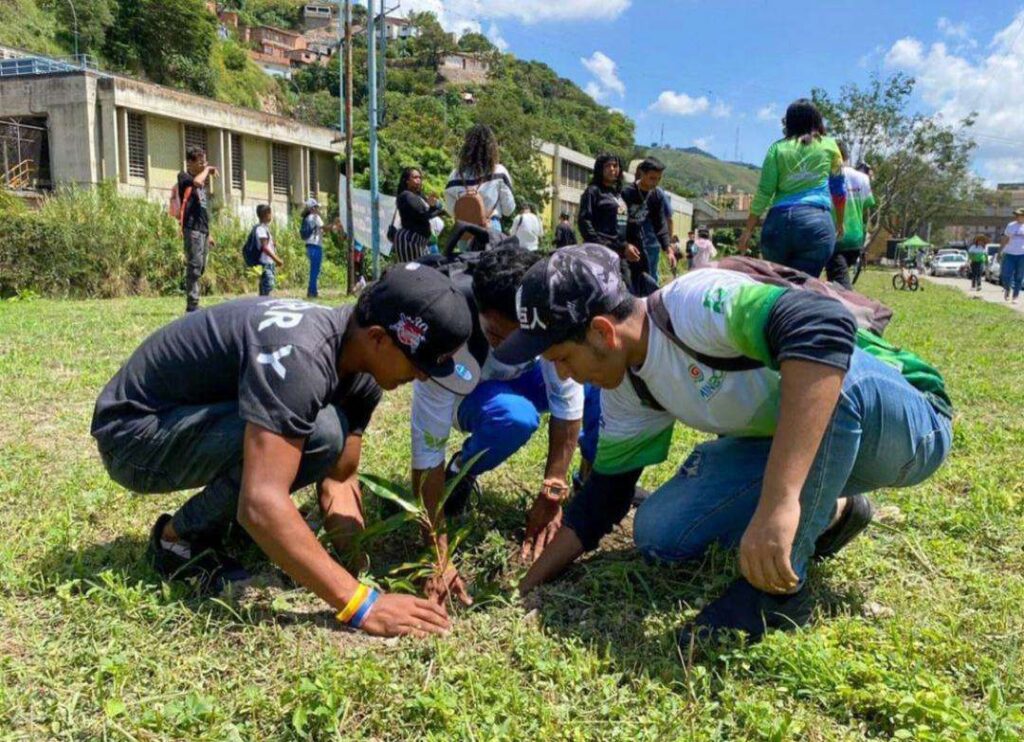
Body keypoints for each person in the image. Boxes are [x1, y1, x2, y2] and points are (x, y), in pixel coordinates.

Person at [498, 244, 952, 645]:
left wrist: (780, 502)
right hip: (800, 440)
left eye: (561, 358)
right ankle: (837, 510)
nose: (561, 375)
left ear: (601, 332)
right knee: (660, 531)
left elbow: (823, 326)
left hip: (905, 419)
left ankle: (775, 596)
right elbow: (604, 498)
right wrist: (529, 586)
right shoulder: (627, 386)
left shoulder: (693, 304)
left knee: (835, 382)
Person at [91, 265, 480, 638]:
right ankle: (176, 542)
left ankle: (219, 525)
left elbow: (341, 479)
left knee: (324, 435)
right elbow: (260, 503)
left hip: (192, 420)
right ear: (378, 338)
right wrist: (362, 604)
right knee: (319, 435)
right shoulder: (303, 358)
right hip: (134, 435)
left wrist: (359, 567)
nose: (425, 376)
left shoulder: (361, 370)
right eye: (420, 363)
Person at [410, 247, 600, 604]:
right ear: (479, 310)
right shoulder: (448, 330)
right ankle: (461, 472)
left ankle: (592, 485)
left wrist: (553, 489)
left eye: (524, 340)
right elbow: (425, 449)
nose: (514, 347)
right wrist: (436, 558)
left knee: (593, 378)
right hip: (473, 391)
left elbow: (567, 398)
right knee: (515, 417)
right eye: (499, 336)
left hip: (523, 383)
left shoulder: (542, 308)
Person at [740, 99, 847, 277]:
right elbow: (838, 190)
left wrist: (747, 231)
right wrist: (840, 222)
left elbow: (764, 193)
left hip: (777, 226)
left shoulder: (777, 149)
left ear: (788, 123)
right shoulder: (829, 146)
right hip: (815, 226)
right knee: (805, 288)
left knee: (778, 287)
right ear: (817, 121)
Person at [578, 153, 656, 296]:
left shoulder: (618, 194)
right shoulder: (593, 191)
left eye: (615, 166)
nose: (612, 169)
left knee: (627, 293)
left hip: (620, 255)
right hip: (600, 256)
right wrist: (602, 246)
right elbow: (584, 222)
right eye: (608, 166)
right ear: (600, 169)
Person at [444, 124, 516, 232]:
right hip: (490, 227)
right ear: (492, 147)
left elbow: (451, 210)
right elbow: (508, 209)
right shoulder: (499, 172)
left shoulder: (455, 175)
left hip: (463, 232)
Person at [825, 144, 876, 289]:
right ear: (846, 156)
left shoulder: (827, 177)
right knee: (837, 281)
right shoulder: (863, 178)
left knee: (840, 287)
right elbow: (867, 207)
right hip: (856, 240)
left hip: (836, 240)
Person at [177, 146, 217, 313]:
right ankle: (192, 305)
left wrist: (209, 234)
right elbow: (197, 181)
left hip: (202, 229)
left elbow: (203, 209)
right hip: (191, 228)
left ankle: (194, 301)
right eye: (200, 162)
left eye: (205, 161)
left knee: (201, 267)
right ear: (190, 162)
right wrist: (208, 169)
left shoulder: (202, 185)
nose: (203, 164)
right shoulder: (184, 176)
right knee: (194, 266)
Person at [626, 157, 676, 284]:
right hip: (626, 246)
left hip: (646, 245)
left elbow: (660, 224)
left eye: (658, 179)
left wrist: (668, 248)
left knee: (649, 280)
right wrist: (625, 245)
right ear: (642, 174)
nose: (655, 183)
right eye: (652, 178)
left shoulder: (656, 195)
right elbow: (617, 225)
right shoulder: (626, 193)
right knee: (628, 281)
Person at [394, 167, 446, 264]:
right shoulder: (406, 196)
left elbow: (428, 212)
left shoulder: (419, 196)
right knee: (413, 273)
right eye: (415, 177)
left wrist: (436, 207)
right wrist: (434, 208)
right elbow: (423, 215)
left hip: (420, 242)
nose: (419, 180)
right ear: (407, 181)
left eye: (420, 177)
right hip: (410, 241)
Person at [301, 199, 342, 299]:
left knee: (314, 269)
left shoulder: (307, 218)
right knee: (315, 270)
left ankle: (313, 291)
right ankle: (312, 292)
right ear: (312, 208)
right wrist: (334, 223)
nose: (318, 209)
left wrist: (333, 226)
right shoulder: (315, 217)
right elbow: (325, 228)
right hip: (315, 246)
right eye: (316, 207)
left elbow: (322, 230)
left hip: (309, 246)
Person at [255, 204, 284, 297]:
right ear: (266, 214)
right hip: (265, 264)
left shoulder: (265, 228)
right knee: (268, 289)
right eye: (270, 213)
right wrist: (277, 259)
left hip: (269, 264)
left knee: (266, 291)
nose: (271, 215)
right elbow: (265, 248)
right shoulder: (260, 229)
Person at [999, 208, 1024, 304]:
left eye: (1019, 215)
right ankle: (1007, 289)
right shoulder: (1010, 225)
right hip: (1009, 253)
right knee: (1006, 275)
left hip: (1022, 255)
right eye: (1016, 215)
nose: (1017, 216)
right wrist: (1000, 251)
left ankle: (1015, 296)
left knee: (1019, 276)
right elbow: (1005, 238)